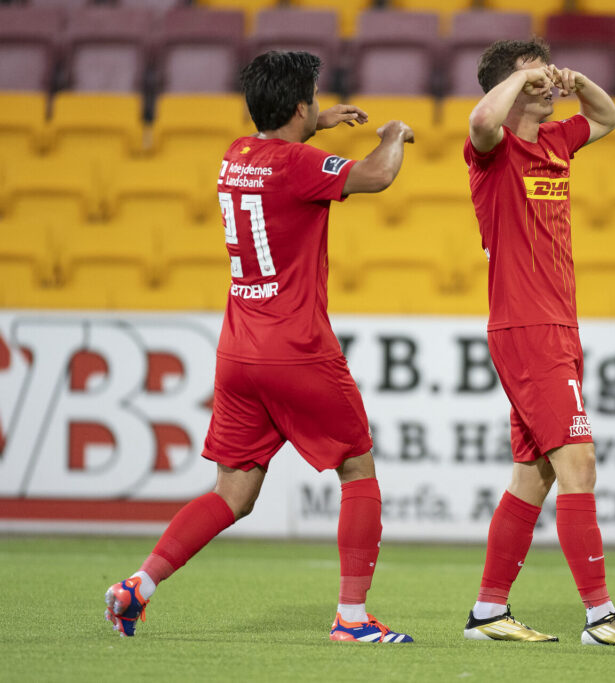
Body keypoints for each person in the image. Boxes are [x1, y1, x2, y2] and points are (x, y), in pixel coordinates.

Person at [103, 51, 416, 643]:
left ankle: (138, 586)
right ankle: (352, 618)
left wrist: (314, 124)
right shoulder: (299, 165)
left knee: (234, 491)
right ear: (300, 105)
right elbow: (377, 174)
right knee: (356, 468)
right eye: (315, 98)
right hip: (295, 346)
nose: (320, 104)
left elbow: (279, 151)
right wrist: (394, 135)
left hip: (239, 349)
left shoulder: (234, 156)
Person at [461, 38, 615, 647]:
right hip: (528, 327)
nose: (545, 82)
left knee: (535, 475)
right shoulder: (491, 150)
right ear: (508, 87)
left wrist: (574, 79)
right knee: (580, 465)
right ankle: (601, 618)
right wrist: (520, 84)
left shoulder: (556, 142)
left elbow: (607, 118)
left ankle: (488, 612)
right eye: (532, 77)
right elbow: (481, 119)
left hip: (558, 325)